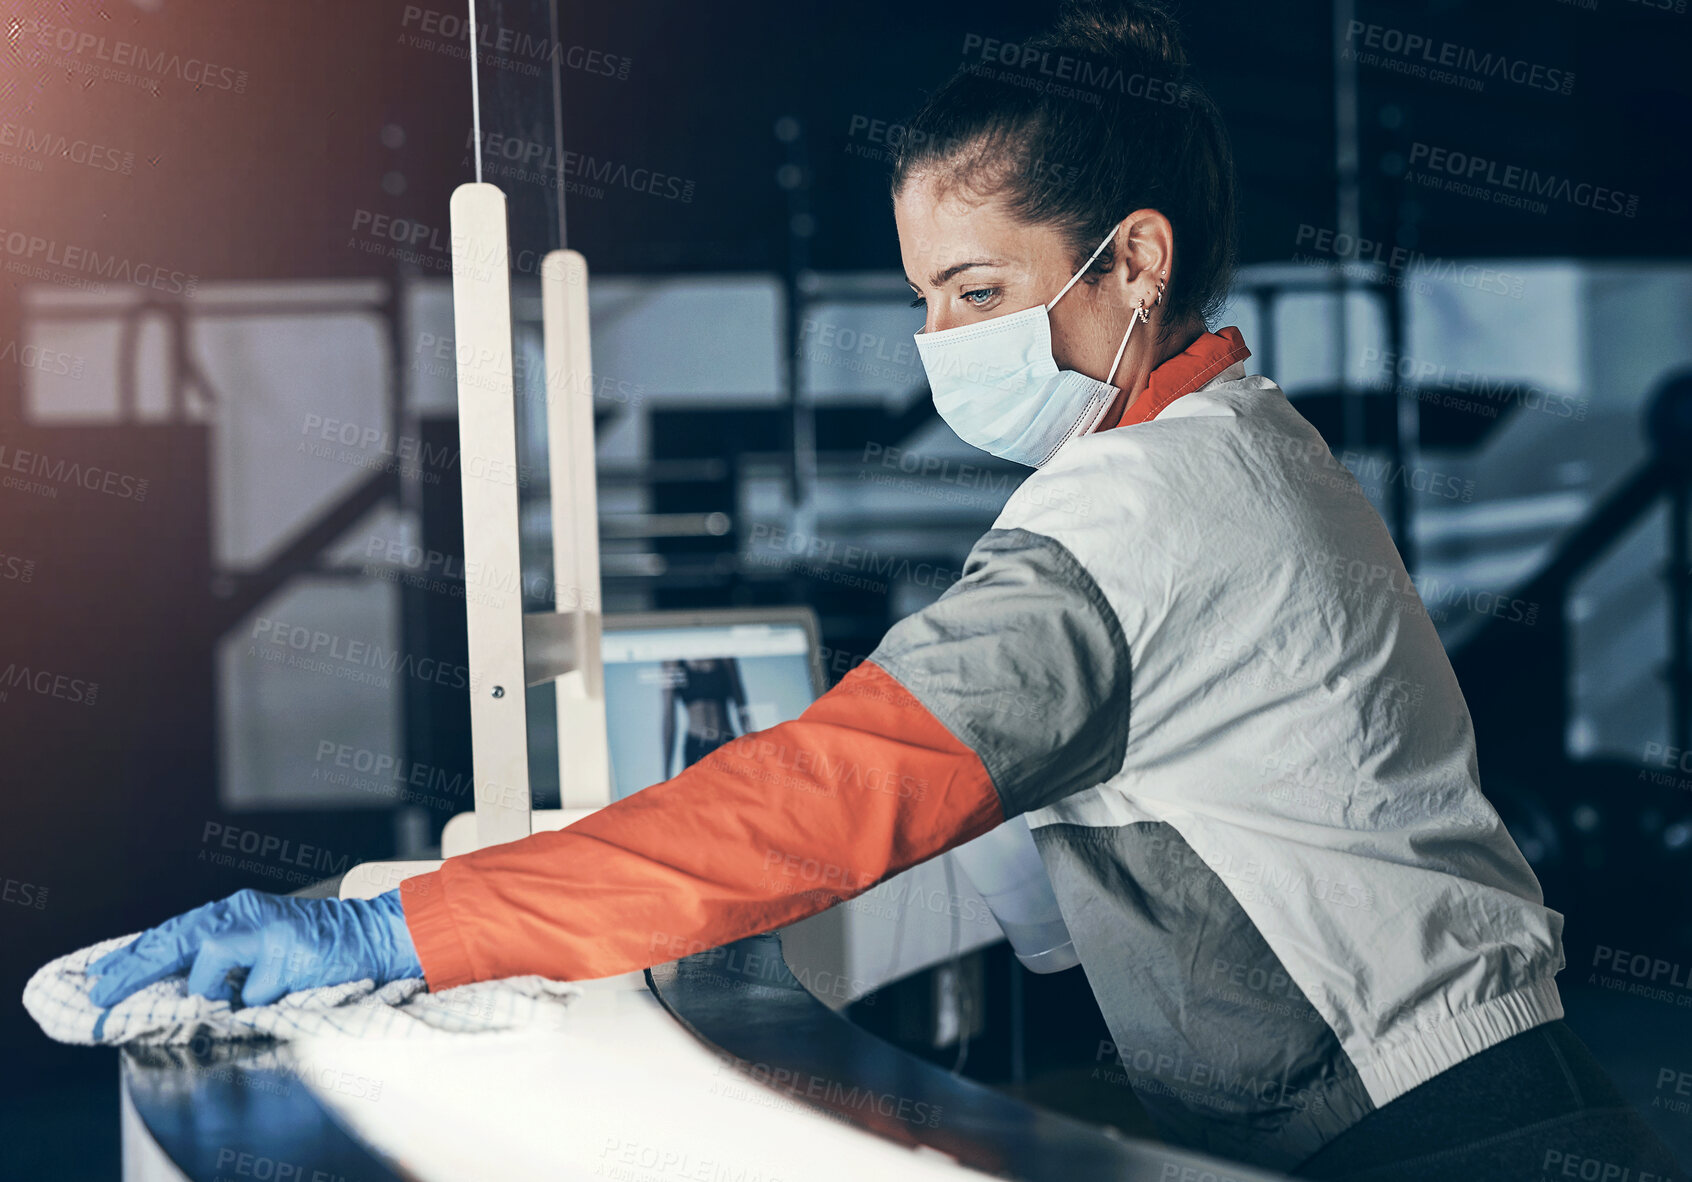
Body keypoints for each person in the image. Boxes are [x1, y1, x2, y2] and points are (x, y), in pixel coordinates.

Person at [86, 3, 1681, 1177]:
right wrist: (619, 891)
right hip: (1477, 1107)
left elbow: (830, 798)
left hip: (1447, 1141)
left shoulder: (1149, 510)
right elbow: (999, 837)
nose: (944, 343)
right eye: (928, 299)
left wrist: (393, 929)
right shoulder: (1230, 443)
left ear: (1134, 258)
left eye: (980, 291)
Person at [659, 657, 751, 779]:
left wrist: (753, 750)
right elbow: (669, 718)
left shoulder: (724, 657)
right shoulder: (672, 662)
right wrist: (666, 774)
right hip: (696, 746)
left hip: (726, 744)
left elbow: (742, 709)